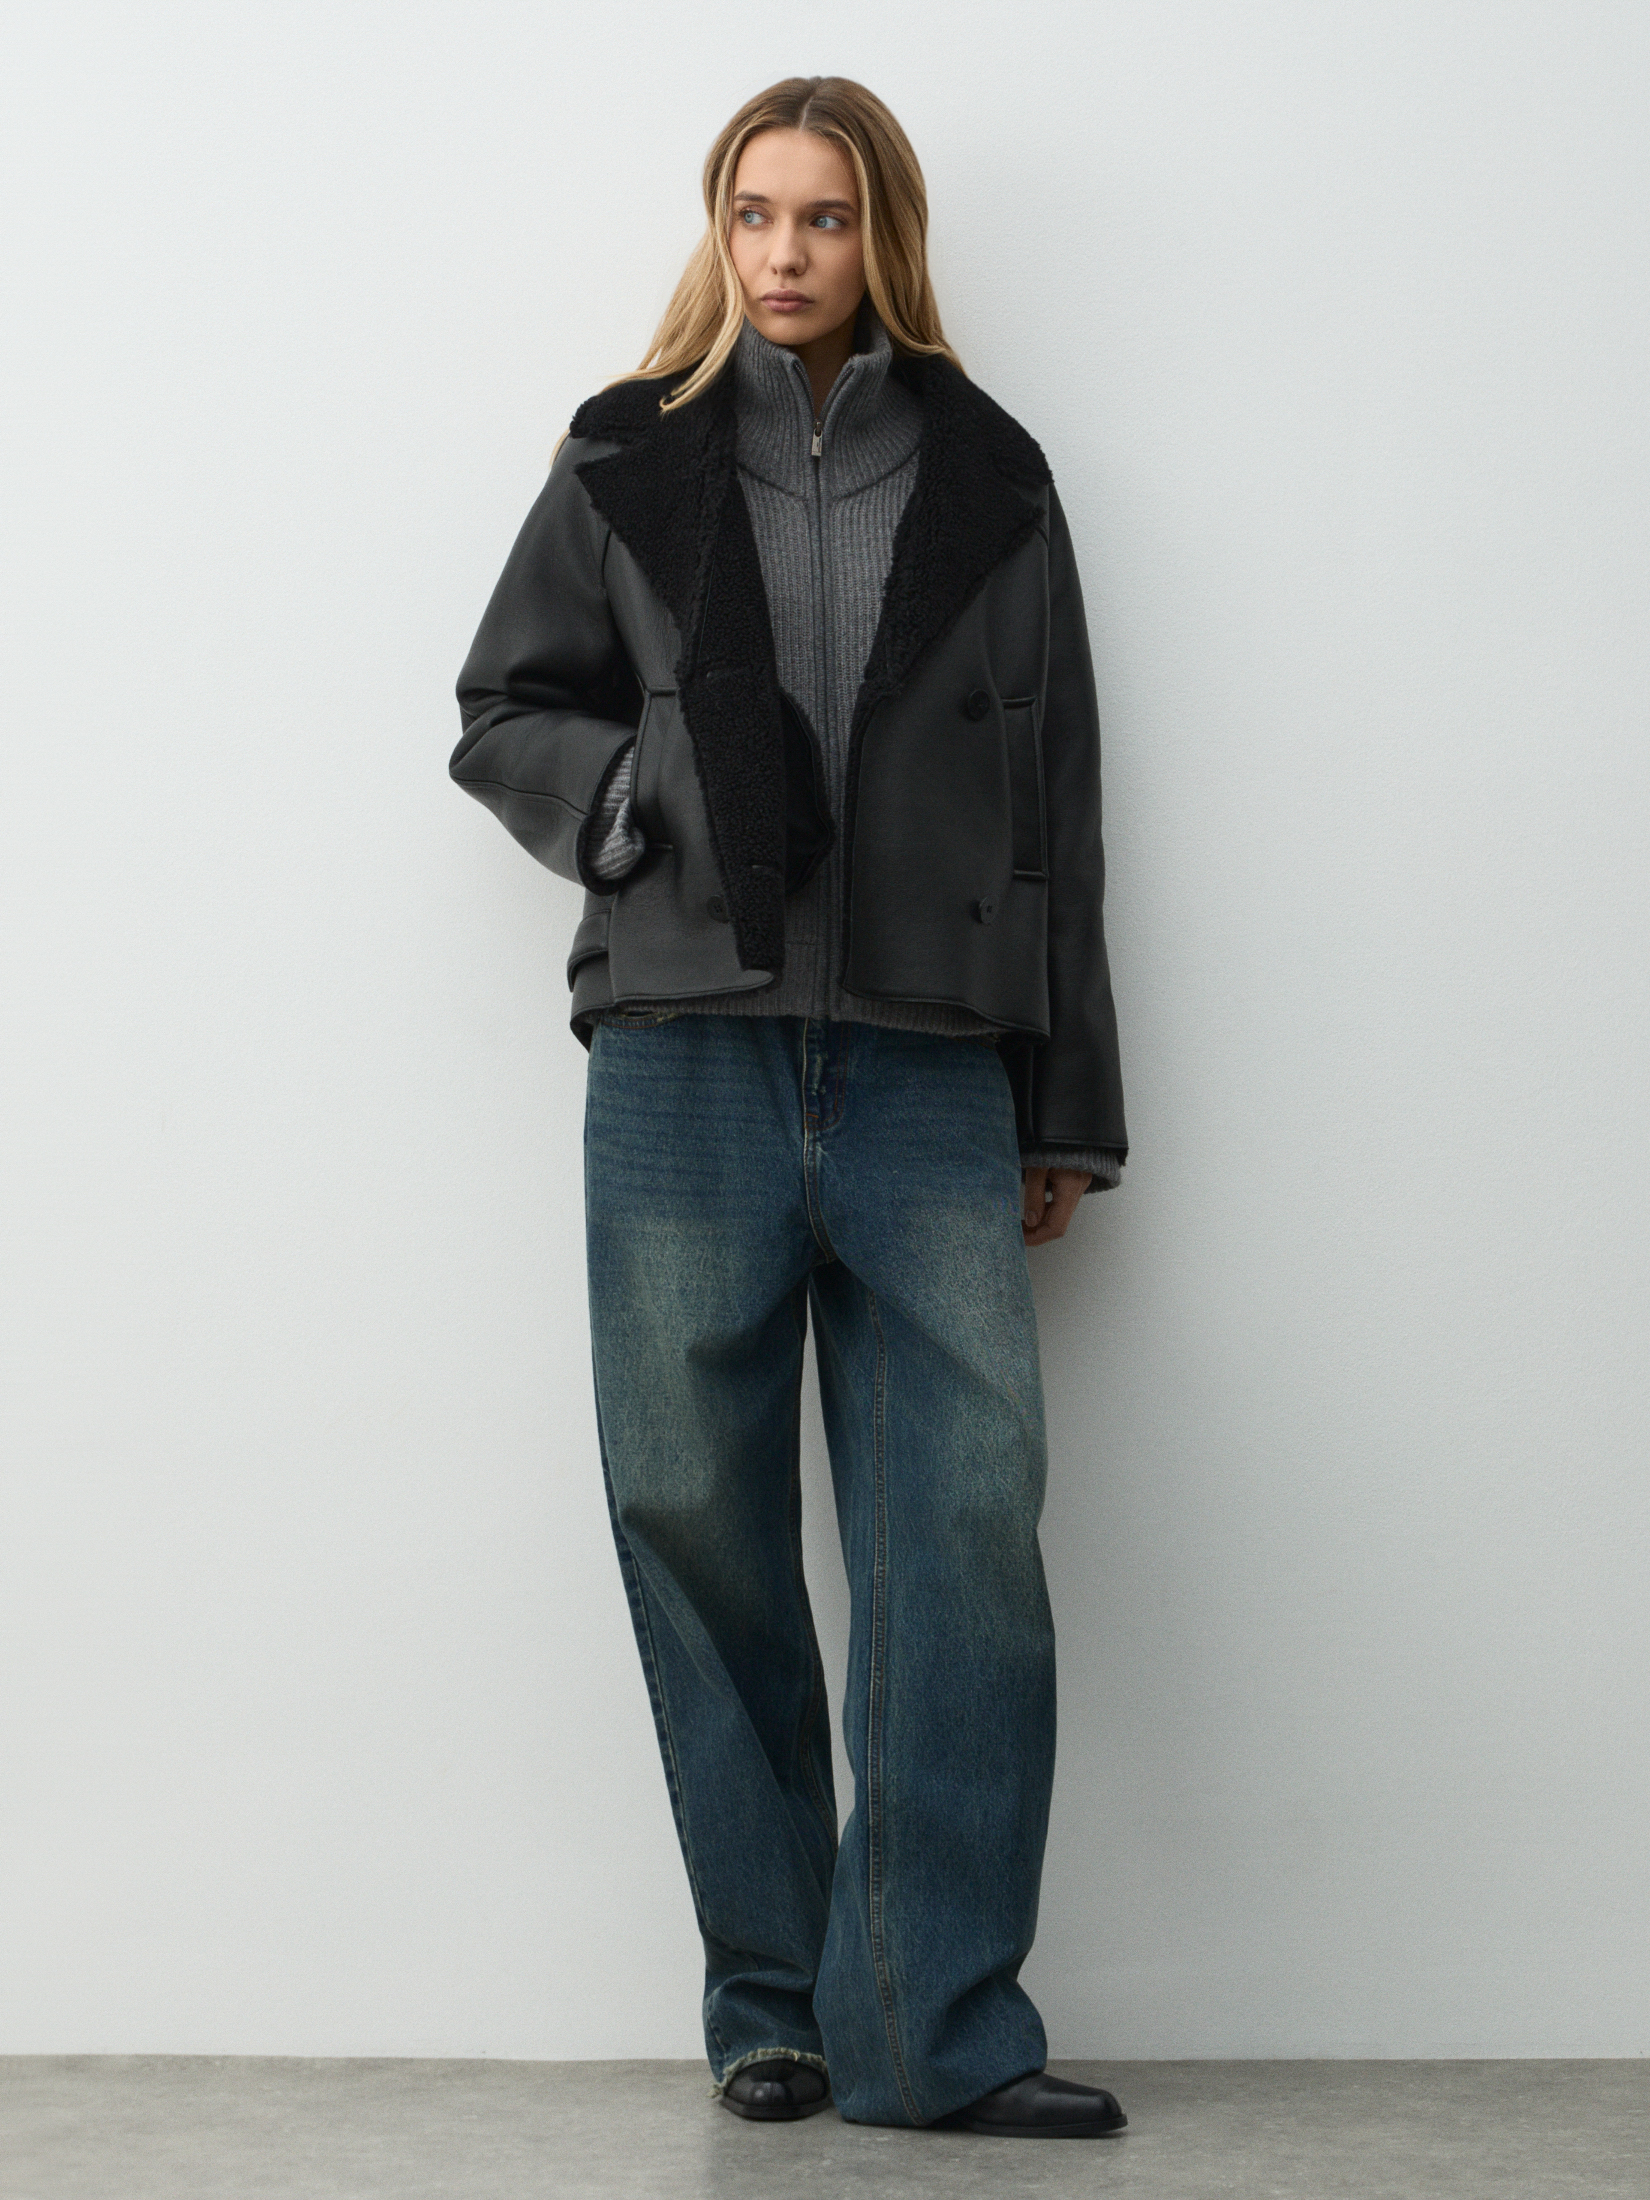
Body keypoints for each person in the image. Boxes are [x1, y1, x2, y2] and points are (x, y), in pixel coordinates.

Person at [451, 75, 1129, 2139]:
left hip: (929, 1067)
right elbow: (504, 709)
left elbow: (1057, 812)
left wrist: (1064, 1107)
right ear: (719, 225)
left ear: (882, 235)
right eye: (756, 211)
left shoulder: (997, 476)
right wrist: (634, 796)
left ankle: (935, 2031)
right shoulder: (625, 453)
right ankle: (772, 2006)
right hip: (687, 1055)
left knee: (962, 1540)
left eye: (825, 216)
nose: (785, 251)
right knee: (699, 1530)